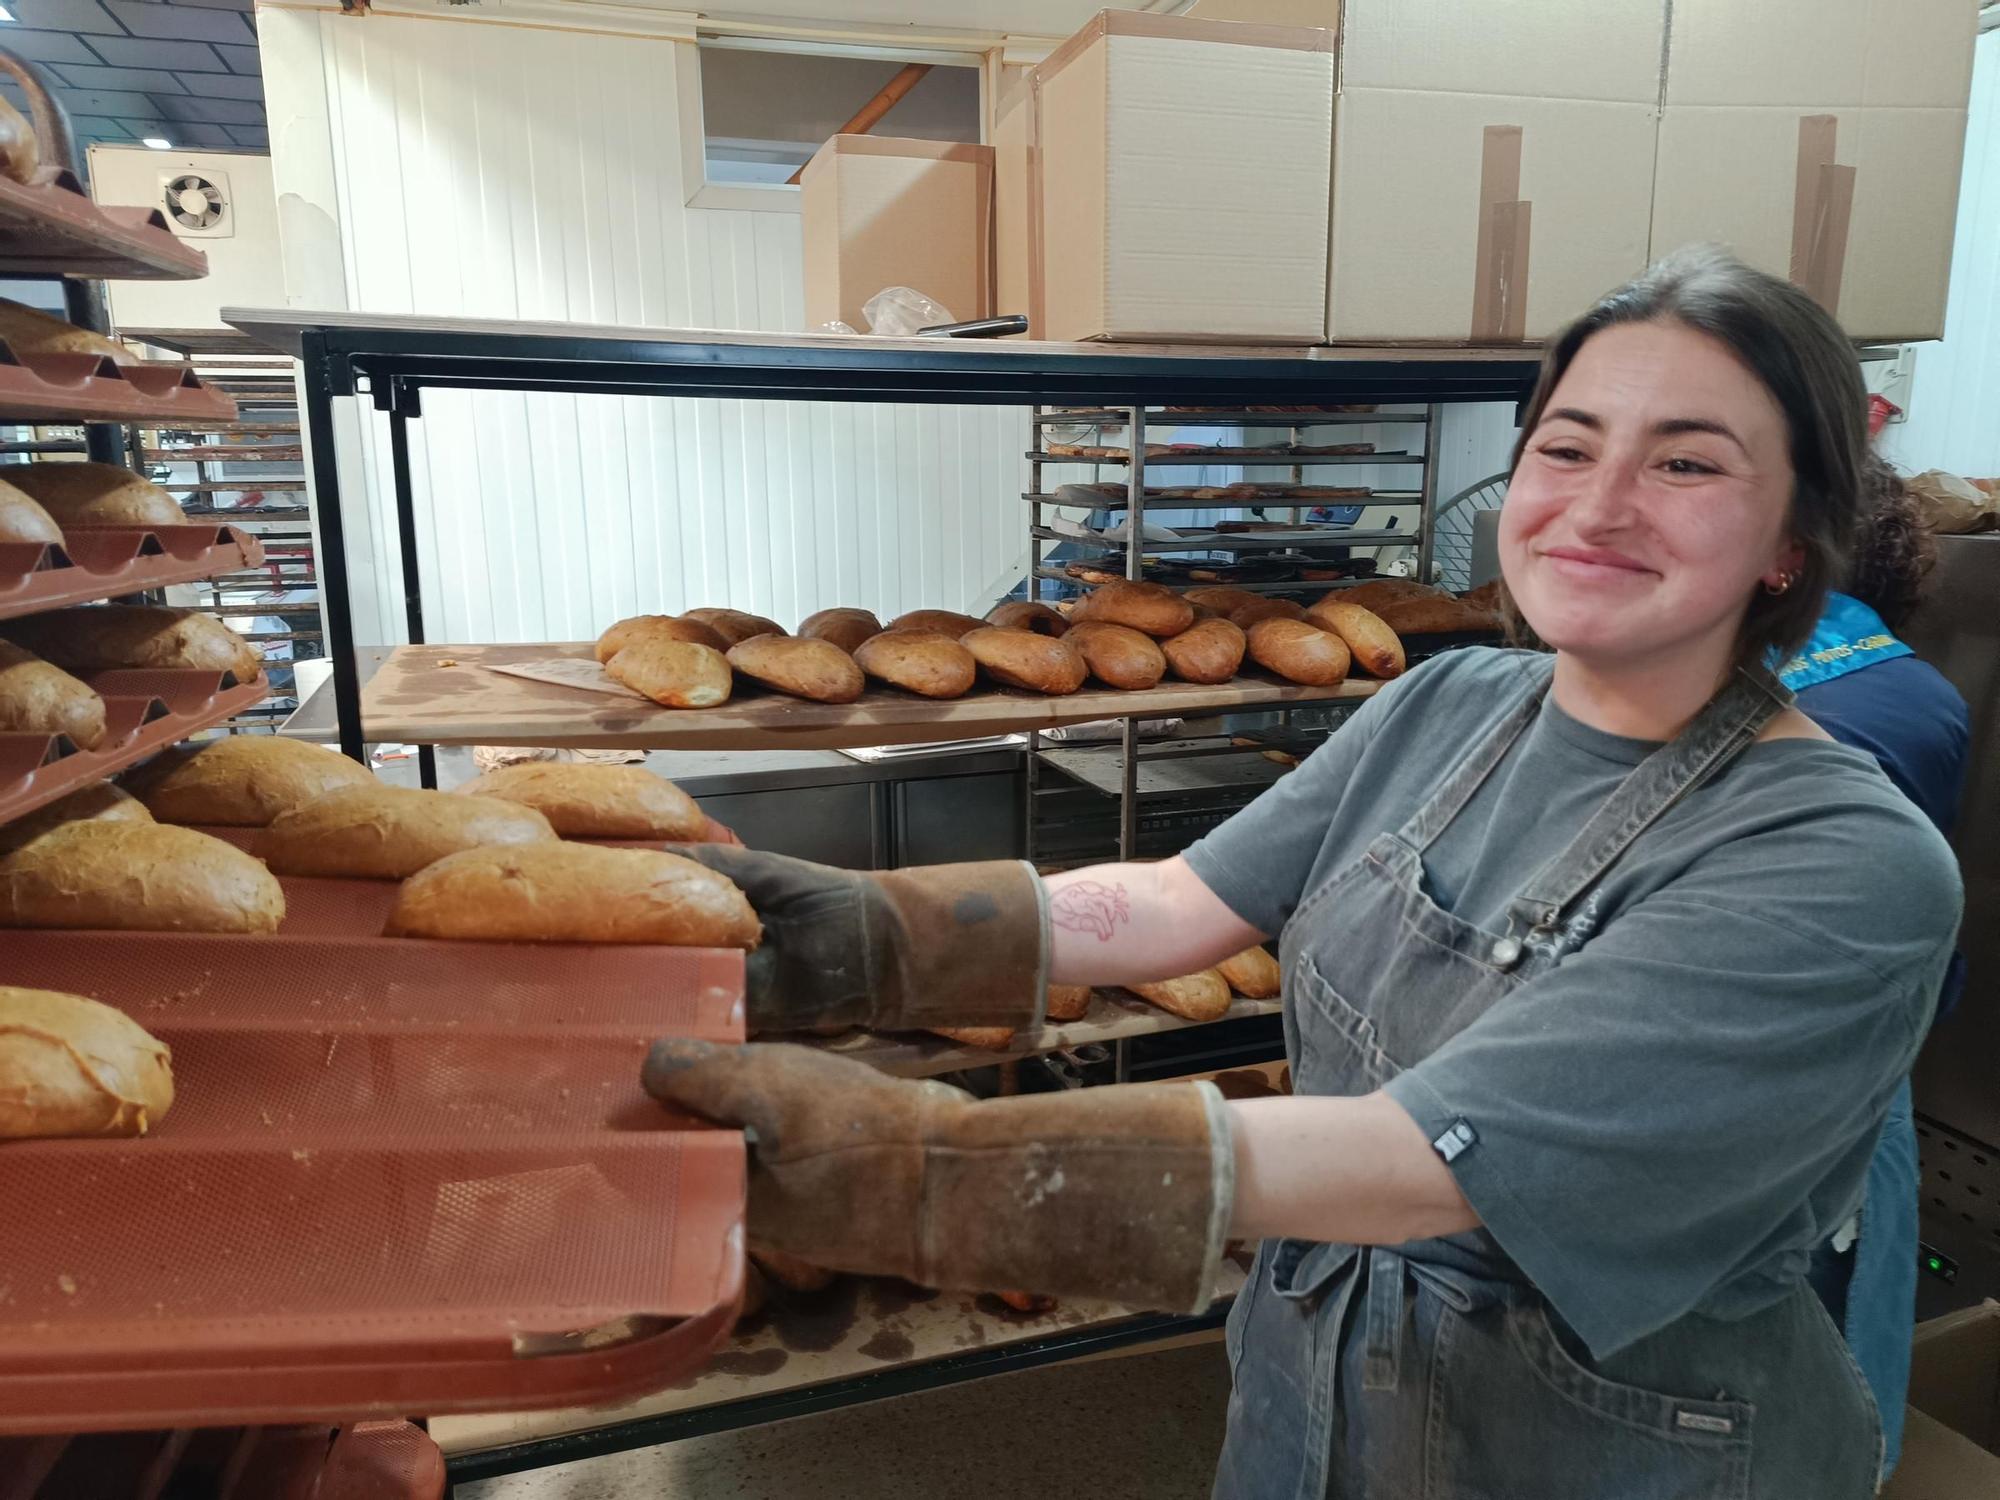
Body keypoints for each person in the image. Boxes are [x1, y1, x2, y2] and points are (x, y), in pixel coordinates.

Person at [646, 248, 1963, 1499]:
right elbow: (1178, 905)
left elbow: (1425, 1163)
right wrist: (850, 931)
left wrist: (930, 1169)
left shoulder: (1845, 865)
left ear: (1792, 538)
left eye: (1687, 461)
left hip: (1605, 1449)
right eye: (1567, 445)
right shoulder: (1451, 702)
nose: (1601, 501)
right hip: (1318, 1392)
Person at [1787, 458, 1970, 1476]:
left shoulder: (1687, 676)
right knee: (1829, 1347)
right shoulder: (1920, 695)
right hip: (1858, 1066)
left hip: (1757, 1084)